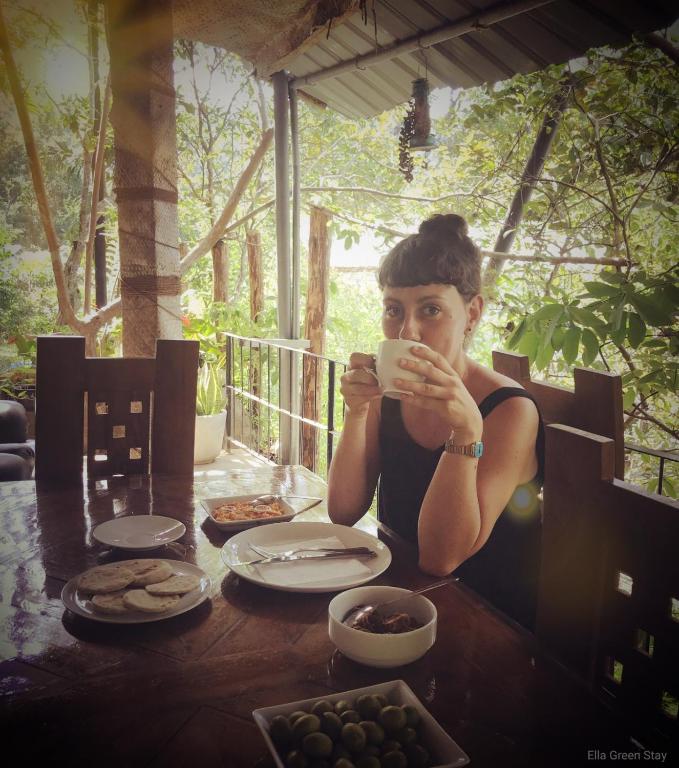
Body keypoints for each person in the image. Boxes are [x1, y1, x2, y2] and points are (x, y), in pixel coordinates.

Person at [327, 213, 544, 629]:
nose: (407, 332)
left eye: (430, 309)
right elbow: (343, 510)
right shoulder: (389, 394)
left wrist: (466, 430)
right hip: (399, 597)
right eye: (393, 310)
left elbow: (442, 559)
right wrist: (357, 411)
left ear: (472, 313)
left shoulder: (510, 410)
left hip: (488, 619)